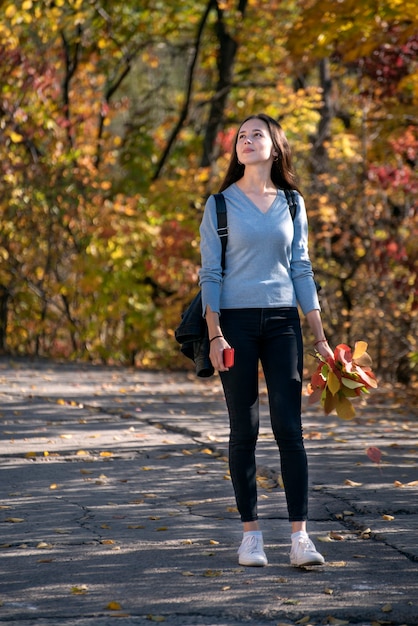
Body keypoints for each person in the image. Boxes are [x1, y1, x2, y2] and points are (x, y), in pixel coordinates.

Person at [198, 113, 334, 568]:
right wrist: (215, 334)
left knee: (289, 429)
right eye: (240, 135)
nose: (247, 140)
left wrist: (319, 336)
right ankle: (251, 536)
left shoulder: (293, 203)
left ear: (275, 147)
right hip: (233, 325)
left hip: (282, 324)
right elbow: (210, 274)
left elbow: (302, 269)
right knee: (245, 431)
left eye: (257, 134)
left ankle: (300, 539)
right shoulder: (218, 204)